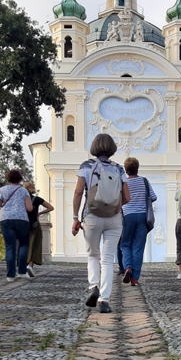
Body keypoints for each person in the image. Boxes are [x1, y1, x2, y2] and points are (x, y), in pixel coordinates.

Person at [72, 134, 130, 313]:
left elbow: (78, 192)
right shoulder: (119, 169)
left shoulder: (87, 166)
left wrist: (75, 217)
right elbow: (127, 197)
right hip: (114, 219)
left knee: (93, 255)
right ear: (112, 148)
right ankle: (104, 300)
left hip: (91, 216)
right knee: (107, 259)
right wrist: (114, 208)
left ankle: (93, 287)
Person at [119, 156, 157, 286]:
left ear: (126, 170)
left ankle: (127, 267)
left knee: (125, 244)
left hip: (127, 216)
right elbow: (153, 197)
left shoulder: (123, 182)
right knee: (138, 247)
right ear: (137, 168)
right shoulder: (144, 182)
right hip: (142, 217)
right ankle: (135, 278)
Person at [0, 169, 33, 282]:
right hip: (22, 220)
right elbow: (29, 208)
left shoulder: (2, 190)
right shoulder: (24, 191)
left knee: (10, 246)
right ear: (20, 179)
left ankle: (10, 275)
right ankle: (22, 272)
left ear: (8, 178)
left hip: (6, 219)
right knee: (24, 245)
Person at [24, 181, 54, 278]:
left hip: (23, 224)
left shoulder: (21, 199)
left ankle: (23, 266)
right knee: (35, 245)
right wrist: (40, 213)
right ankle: (30, 265)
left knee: (24, 245)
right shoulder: (37, 199)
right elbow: (51, 207)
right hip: (35, 225)